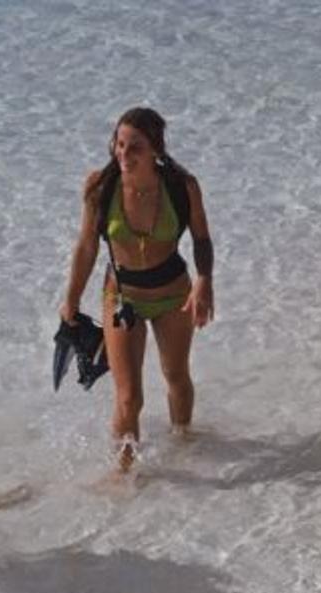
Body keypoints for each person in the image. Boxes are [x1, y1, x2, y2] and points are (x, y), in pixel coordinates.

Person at [59, 107, 214, 470]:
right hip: (122, 297)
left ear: (156, 150)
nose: (124, 155)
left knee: (176, 376)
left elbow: (202, 237)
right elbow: (86, 246)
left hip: (174, 294)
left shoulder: (181, 185)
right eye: (120, 144)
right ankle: (124, 473)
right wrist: (71, 298)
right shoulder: (100, 187)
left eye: (135, 148)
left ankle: (183, 443)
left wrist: (204, 281)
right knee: (129, 398)